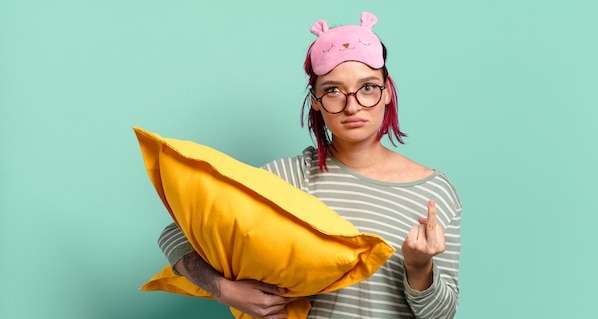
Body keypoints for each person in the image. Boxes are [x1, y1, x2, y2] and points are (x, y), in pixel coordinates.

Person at [157, 11, 462, 319]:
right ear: (315, 100)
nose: (352, 105)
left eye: (368, 87)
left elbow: (441, 315)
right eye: (333, 90)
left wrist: (420, 267)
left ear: (387, 92)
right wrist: (227, 291)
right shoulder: (287, 177)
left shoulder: (434, 191)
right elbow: (175, 236)